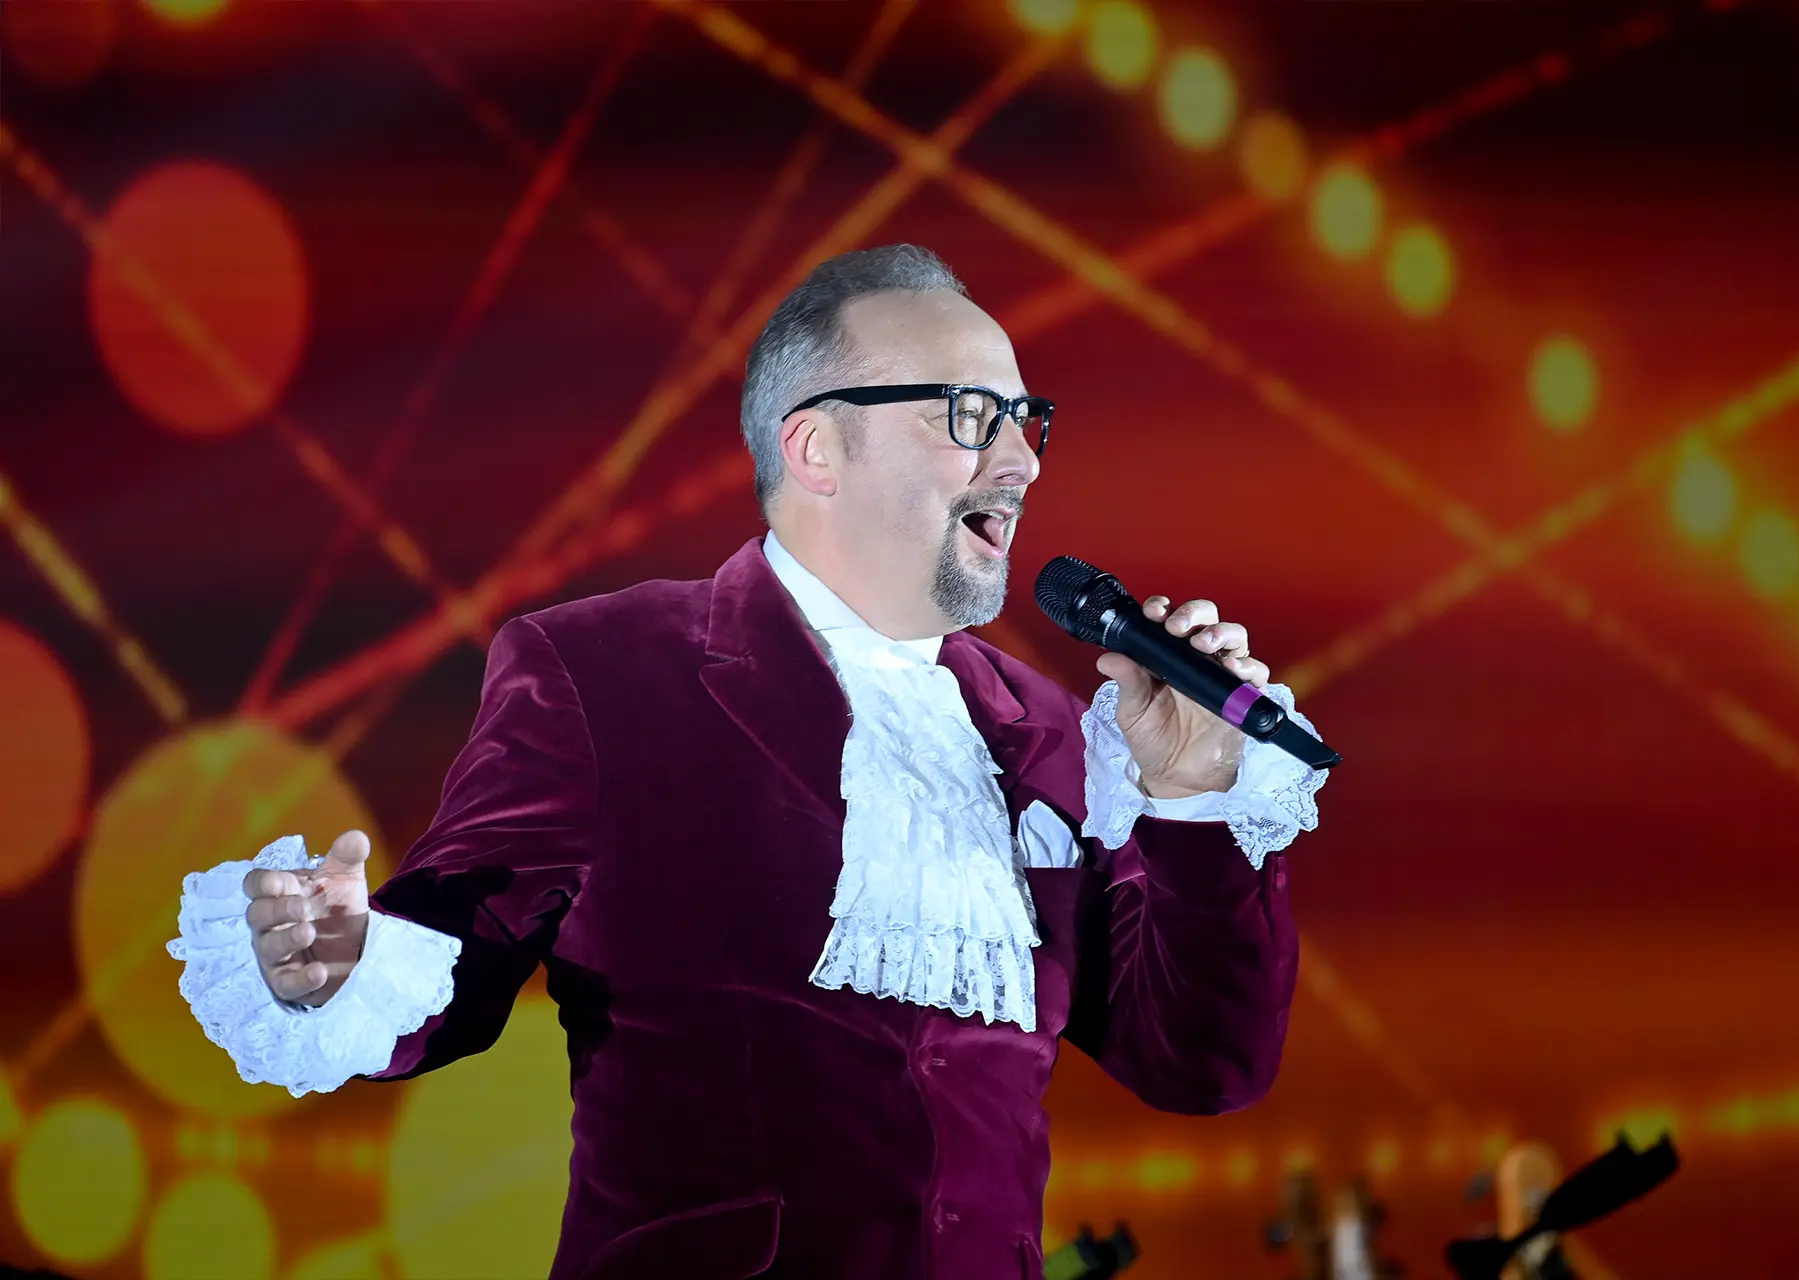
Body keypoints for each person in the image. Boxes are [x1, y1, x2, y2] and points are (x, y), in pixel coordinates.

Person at [168, 244, 1330, 1279]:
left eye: (1029, 418)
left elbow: (1201, 1061)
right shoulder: (605, 669)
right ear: (817, 446)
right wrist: (341, 955)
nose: (1022, 460)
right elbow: (459, 957)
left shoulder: (1050, 732)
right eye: (972, 414)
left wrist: (1191, 801)